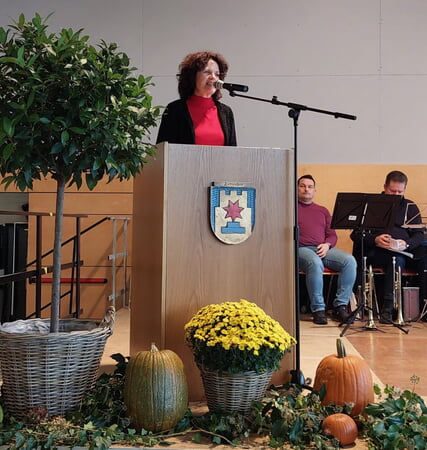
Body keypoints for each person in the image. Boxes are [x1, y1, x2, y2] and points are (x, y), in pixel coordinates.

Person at [351, 170, 426, 323]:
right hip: (378, 252)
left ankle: (424, 307)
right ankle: (388, 307)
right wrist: (376, 239)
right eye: (392, 191)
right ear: (385, 187)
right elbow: (356, 234)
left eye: (400, 191)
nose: (396, 195)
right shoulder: (371, 205)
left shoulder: (410, 207)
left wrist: (407, 243)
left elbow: (420, 234)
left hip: (405, 250)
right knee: (395, 259)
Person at [298, 175, 357, 325]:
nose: (306, 189)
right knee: (314, 262)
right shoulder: (290, 209)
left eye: (310, 186)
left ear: (315, 190)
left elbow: (332, 235)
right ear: (296, 189)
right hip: (300, 249)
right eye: (303, 186)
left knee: (349, 261)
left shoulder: (322, 210)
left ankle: (340, 307)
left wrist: (327, 245)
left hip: (322, 248)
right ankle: (318, 309)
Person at [156, 51, 237, 146]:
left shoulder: (226, 112)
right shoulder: (175, 110)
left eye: (217, 74)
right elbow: (162, 151)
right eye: (207, 72)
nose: (213, 77)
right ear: (192, 76)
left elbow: (233, 152)